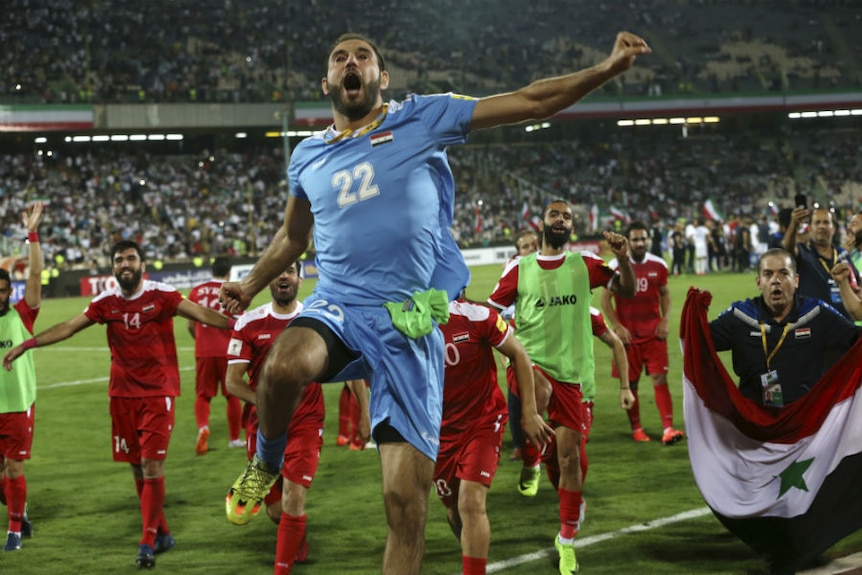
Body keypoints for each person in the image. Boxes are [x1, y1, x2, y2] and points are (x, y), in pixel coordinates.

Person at [218, 31, 649, 575]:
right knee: (281, 364)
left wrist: (606, 69)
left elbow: (532, 101)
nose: (351, 63)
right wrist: (251, 283)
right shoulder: (307, 156)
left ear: (383, 78)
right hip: (341, 307)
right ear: (326, 82)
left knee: (406, 511)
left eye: (363, 56)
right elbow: (293, 238)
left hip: (411, 325)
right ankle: (266, 464)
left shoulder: (423, 119)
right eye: (339, 58)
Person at [2, 240, 234, 568]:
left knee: (153, 466)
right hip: (122, 397)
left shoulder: (162, 294)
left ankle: (146, 543)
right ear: (113, 268)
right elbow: (69, 327)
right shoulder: (106, 302)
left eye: (130, 258)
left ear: (142, 264)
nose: (125, 264)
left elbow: (203, 314)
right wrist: (27, 344)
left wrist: (241, 327)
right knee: (138, 467)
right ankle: (162, 533)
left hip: (157, 394)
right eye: (119, 260)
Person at [487, 199, 636, 574]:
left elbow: (627, 291)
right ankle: (531, 455)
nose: (561, 219)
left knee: (570, 459)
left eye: (567, 216)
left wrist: (625, 258)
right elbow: (490, 314)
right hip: (529, 364)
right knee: (541, 393)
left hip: (572, 376)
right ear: (542, 222)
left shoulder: (584, 265)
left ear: (572, 226)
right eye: (555, 214)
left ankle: (567, 538)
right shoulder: (520, 269)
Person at [225, 261, 359, 575]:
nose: (283, 276)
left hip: (307, 425)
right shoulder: (248, 323)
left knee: (294, 498)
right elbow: (232, 381)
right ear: (270, 279)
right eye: (278, 271)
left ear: (300, 278)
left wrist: (362, 414)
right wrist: (269, 402)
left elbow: (352, 367)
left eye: (290, 271)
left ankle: (281, 568)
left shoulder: (318, 321)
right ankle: (296, 534)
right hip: (264, 427)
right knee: (275, 509)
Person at [435, 297, 550, 575]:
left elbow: (519, 354)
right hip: (438, 433)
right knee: (454, 511)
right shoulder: (407, 321)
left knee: (470, 502)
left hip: (483, 422)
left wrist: (530, 413)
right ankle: (474, 554)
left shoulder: (475, 315)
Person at [709, 248, 859, 406]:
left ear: (796, 281)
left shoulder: (816, 313)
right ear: (759, 282)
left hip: (806, 418)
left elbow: (856, 340)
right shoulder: (741, 315)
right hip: (753, 419)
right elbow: (697, 340)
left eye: (783, 273)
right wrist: (695, 313)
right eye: (768, 274)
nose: (776, 280)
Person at [600, 220, 683, 445]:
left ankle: (668, 428)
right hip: (627, 337)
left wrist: (665, 320)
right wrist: (616, 325)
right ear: (627, 242)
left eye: (643, 238)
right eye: (635, 239)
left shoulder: (658, 264)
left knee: (660, 378)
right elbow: (605, 299)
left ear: (648, 240)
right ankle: (637, 428)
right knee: (632, 383)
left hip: (654, 333)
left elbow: (665, 293)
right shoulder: (614, 266)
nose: (640, 243)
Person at [0, 202, 43, 552]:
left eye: (3, 290)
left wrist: (32, 234)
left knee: (14, 469)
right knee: (3, 477)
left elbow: (34, 276)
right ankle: (19, 511)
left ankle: (14, 530)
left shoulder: (22, 315)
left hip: (16, 406)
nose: (0, 295)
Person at [187, 255, 243, 455]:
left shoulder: (196, 291)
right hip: (227, 351)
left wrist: (201, 341)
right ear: (229, 272)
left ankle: (203, 427)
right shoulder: (232, 292)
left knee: (203, 395)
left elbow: (190, 325)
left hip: (204, 351)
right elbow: (240, 324)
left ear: (211, 271)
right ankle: (234, 439)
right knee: (232, 394)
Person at [501, 229, 539, 461]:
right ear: (518, 251)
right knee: (516, 394)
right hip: (518, 336)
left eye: (533, 246)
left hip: (544, 338)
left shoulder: (546, 266)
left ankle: (542, 442)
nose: (530, 250)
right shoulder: (514, 269)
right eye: (525, 247)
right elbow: (502, 308)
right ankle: (518, 444)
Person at [783, 205, 859, 319]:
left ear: (833, 228)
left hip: (845, 327)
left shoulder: (842, 253)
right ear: (810, 227)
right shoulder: (802, 252)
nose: (822, 226)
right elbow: (787, 249)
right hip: (814, 326)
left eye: (826, 222)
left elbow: (856, 283)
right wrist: (794, 225)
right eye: (817, 222)